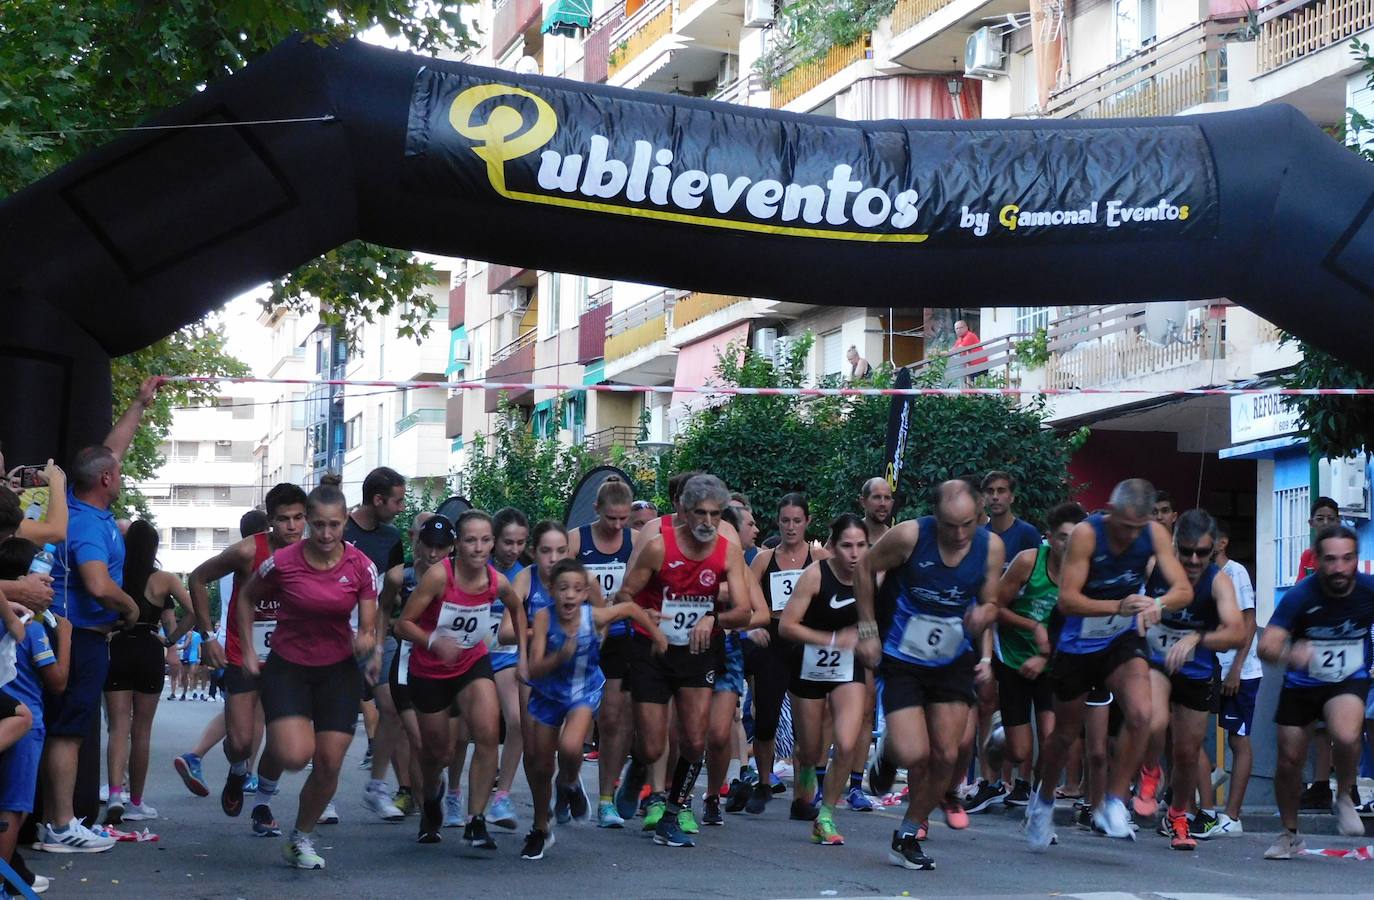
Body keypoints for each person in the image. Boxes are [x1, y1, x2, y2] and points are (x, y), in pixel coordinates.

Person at [1023, 478, 1192, 851]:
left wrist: (1156, 605)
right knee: (1065, 735)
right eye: (1124, 527)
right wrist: (1119, 605)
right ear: (1111, 512)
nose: (1130, 536)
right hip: (1077, 639)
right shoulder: (1087, 535)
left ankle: (1112, 802)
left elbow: (1183, 590)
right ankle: (1043, 800)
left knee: (1142, 713)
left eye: (1138, 528)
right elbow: (1067, 600)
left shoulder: (1153, 535)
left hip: (1120, 637)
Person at [854, 480, 1003, 870]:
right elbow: (865, 568)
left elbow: (990, 602)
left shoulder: (990, 547)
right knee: (913, 752)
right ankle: (888, 751)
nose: (958, 534)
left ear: (979, 517)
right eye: (950, 525)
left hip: (951, 657)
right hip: (903, 656)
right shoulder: (909, 536)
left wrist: (984, 614)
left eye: (967, 524)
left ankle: (907, 832)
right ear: (936, 517)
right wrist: (868, 629)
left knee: (947, 755)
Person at [40, 377, 159, 853]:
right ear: (106, 480)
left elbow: (108, 451)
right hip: (83, 636)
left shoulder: (81, 504)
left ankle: (57, 820)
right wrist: (130, 606)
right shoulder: (89, 524)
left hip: (77, 634)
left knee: (65, 730)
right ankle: (61, 825)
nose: (121, 471)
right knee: (68, 733)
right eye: (117, 471)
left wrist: (139, 404)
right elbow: (95, 582)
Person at [237, 475, 379, 870]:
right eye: (318, 524)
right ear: (307, 523)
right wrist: (248, 650)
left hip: (338, 671)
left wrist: (367, 642)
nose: (326, 532)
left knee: (330, 762)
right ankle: (267, 782)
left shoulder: (360, 566)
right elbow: (246, 599)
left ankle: (300, 836)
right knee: (297, 755)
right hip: (289, 668)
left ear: (345, 523)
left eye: (334, 525)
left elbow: (368, 623)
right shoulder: (282, 562)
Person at [613, 474, 754, 848]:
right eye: (700, 513)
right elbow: (624, 596)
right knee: (654, 745)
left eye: (715, 514)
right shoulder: (660, 548)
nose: (708, 522)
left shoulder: (728, 551)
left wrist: (714, 618)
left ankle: (673, 814)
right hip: (653, 649)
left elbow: (744, 610)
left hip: (697, 649)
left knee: (694, 741)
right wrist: (649, 620)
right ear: (684, 513)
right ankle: (640, 767)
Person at [180, 484, 306, 840]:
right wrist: (206, 637)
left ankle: (263, 804)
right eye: (284, 520)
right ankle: (238, 771)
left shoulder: (315, 554)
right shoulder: (249, 551)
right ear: (270, 521)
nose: (292, 527)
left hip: (290, 660)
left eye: (299, 518)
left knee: (282, 741)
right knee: (241, 741)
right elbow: (198, 577)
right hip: (242, 653)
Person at [520, 558, 666, 859]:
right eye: (563, 589)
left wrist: (657, 634)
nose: (570, 595)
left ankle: (570, 782)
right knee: (539, 766)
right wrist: (559, 656)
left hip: (582, 692)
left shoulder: (594, 617)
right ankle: (540, 827)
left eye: (576, 589)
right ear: (551, 591)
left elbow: (629, 609)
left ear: (586, 592)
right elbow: (534, 669)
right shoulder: (545, 619)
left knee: (571, 746)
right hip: (547, 694)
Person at [397, 511, 517, 848]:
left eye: (484, 540)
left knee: (488, 733)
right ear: (458, 545)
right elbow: (402, 624)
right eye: (470, 540)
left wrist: (527, 653)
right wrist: (434, 641)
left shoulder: (497, 582)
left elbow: (516, 607)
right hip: (429, 671)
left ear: (492, 543)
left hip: (471, 663)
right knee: (439, 753)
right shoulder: (438, 577)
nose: (478, 548)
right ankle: (431, 799)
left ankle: (475, 820)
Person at [1259, 524, 1374, 859]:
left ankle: (1344, 796)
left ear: (1356, 559)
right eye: (1331, 560)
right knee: (1289, 761)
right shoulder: (1301, 596)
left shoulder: (1367, 590)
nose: (1339, 568)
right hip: (1302, 684)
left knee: (1347, 733)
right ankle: (1289, 833)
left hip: (1346, 679)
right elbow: (1267, 645)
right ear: (1318, 560)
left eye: (1347, 559)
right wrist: (1288, 653)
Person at [1137, 509, 1244, 850]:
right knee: (1154, 721)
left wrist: (1197, 637)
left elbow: (1237, 632)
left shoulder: (1218, 580)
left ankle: (1178, 814)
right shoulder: (1155, 567)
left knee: (1186, 753)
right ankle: (1150, 771)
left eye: (1203, 552)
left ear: (1214, 549)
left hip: (1196, 671)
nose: (1194, 560)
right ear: (1173, 545)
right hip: (1156, 662)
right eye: (1186, 552)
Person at [780, 513, 872, 846]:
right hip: (810, 666)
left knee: (846, 743)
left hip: (849, 668)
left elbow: (875, 622)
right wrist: (833, 640)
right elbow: (786, 625)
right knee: (811, 748)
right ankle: (804, 783)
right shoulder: (814, 576)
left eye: (861, 545)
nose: (855, 553)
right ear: (832, 547)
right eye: (847, 546)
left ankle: (826, 816)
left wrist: (867, 639)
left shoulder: (872, 577)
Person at [960, 471, 1045, 814]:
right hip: (984, 630)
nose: (995, 497)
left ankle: (1022, 782)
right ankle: (990, 780)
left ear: (1011, 496)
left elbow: (1039, 581)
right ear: (983, 498)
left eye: (1001, 491)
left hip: (1017, 632)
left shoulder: (1026, 535)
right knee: (985, 703)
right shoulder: (978, 536)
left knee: (1022, 711)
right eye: (990, 492)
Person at [994, 502, 1086, 809]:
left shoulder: (1085, 574)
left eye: (1075, 538)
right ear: (1049, 537)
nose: (1068, 545)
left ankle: (1037, 798)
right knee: (1019, 750)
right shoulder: (1027, 562)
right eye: (1062, 537)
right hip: (1013, 658)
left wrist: (1046, 657)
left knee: (1052, 739)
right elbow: (994, 607)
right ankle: (995, 745)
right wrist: (1033, 626)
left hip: (1052, 663)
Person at [103, 520, 193, 825]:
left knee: (117, 728)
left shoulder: (113, 575)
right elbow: (193, 611)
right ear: (154, 547)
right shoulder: (163, 580)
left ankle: (115, 794)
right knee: (141, 731)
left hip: (117, 647)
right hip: (148, 649)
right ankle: (136, 803)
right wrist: (171, 640)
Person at [744, 493, 828, 817]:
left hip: (806, 643)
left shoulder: (820, 557)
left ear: (807, 522)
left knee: (808, 730)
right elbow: (747, 599)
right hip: (775, 642)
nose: (791, 527)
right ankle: (764, 783)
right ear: (777, 522)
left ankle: (802, 797)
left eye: (797, 521)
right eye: (785, 521)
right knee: (766, 719)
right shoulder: (764, 560)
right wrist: (751, 628)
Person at [566, 478, 638, 828]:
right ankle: (564, 782)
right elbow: (557, 584)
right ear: (597, 511)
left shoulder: (635, 542)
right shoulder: (577, 540)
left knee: (612, 719)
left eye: (624, 519)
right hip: (582, 638)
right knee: (571, 722)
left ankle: (607, 797)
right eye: (611, 518)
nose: (618, 525)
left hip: (621, 637)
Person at [0, 539, 69, 892]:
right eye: (43, 576)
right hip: (26, 725)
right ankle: (3, 881)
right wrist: (67, 636)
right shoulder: (33, 627)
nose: (50, 584)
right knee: (14, 807)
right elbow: (57, 682)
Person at [345, 467, 407, 824]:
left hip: (375, 637)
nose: (401, 508)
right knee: (331, 718)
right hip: (335, 638)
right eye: (397, 501)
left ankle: (377, 787)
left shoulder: (392, 537)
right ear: (378, 499)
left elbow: (386, 600)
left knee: (391, 707)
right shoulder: (340, 531)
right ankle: (322, 794)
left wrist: (380, 642)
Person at [704, 504, 769, 826]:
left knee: (718, 734)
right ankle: (666, 793)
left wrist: (730, 623)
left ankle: (713, 795)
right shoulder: (687, 559)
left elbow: (762, 613)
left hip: (725, 650)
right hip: (686, 648)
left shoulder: (738, 567)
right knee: (682, 734)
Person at [1197, 519, 1260, 837]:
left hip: (1239, 670)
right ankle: (1209, 784)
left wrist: (1236, 668)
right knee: (1188, 732)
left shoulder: (1235, 572)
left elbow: (1249, 622)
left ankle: (1232, 816)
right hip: (1208, 665)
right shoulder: (1202, 575)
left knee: (1238, 738)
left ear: (1220, 542)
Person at [486, 506, 529, 830]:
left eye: (520, 543)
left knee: (518, 720)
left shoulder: (525, 575)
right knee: (464, 736)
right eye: (507, 542)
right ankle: (454, 790)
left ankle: (502, 795)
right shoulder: (475, 566)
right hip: (469, 656)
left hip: (507, 655)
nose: (514, 550)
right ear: (494, 540)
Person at [858, 478, 894, 545]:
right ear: (863, 502)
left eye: (887, 498)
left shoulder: (897, 540)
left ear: (892, 503)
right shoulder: (848, 537)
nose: (883, 503)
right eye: (877, 497)